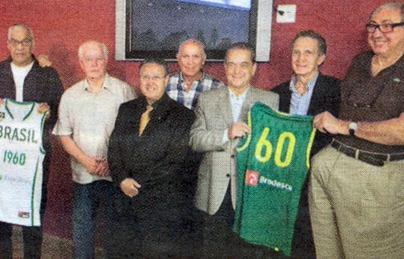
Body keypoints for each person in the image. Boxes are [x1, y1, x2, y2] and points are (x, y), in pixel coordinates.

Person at [310, 3, 404, 258]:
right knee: (328, 253)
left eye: (387, 26)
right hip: (332, 166)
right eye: (373, 26)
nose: (376, 32)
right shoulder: (361, 61)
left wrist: (343, 126)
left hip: (379, 175)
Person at [189, 42, 279, 258]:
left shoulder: (270, 100)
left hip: (250, 191)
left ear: (254, 68)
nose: (237, 71)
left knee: (248, 252)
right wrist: (225, 134)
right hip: (214, 192)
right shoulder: (207, 99)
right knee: (214, 251)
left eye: (243, 65)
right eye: (232, 65)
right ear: (225, 68)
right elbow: (195, 139)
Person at [0, 23, 63, 259]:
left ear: (33, 44)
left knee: (34, 212)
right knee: (0, 213)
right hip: (1, 155)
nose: (20, 47)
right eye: (15, 42)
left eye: (25, 41)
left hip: (35, 156)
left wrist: (51, 113)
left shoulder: (48, 73)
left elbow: (60, 110)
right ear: (8, 44)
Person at [52, 40, 136, 259]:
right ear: (81, 63)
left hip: (115, 174)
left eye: (99, 58)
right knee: (83, 227)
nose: (94, 63)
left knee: (115, 229)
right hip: (83, 173)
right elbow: (63, 134)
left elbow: (134, 135)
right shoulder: (70, 95)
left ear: (106, 60)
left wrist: (114, 164)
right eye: (89, 59)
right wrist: (86, 161)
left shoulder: (124, 91)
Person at [108, 58, 198, 258]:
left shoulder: (183, 116)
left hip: (159, 206)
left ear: (167, 80)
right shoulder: (127, 109)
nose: (150, 82)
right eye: (145, 77)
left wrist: (136, 184)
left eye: (156, 77)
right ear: (139, 80)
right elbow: (114, 149)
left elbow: (175, 162)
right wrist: (122, 179)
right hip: (124, 201)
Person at [270, 30, 341, 259]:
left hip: (318, 183)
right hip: (282, 182)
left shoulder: (337, 91)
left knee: (311, 245)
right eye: (296, 52)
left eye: (308, 53)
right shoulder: (275, 94)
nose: (300, 58)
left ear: (321, 58)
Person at [166, 39, 225, 110]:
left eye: (195, 57)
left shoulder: (217, 87)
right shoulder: (166, 83)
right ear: (178, 59)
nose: (190, 62)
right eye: (185, 56)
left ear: (203, 60)